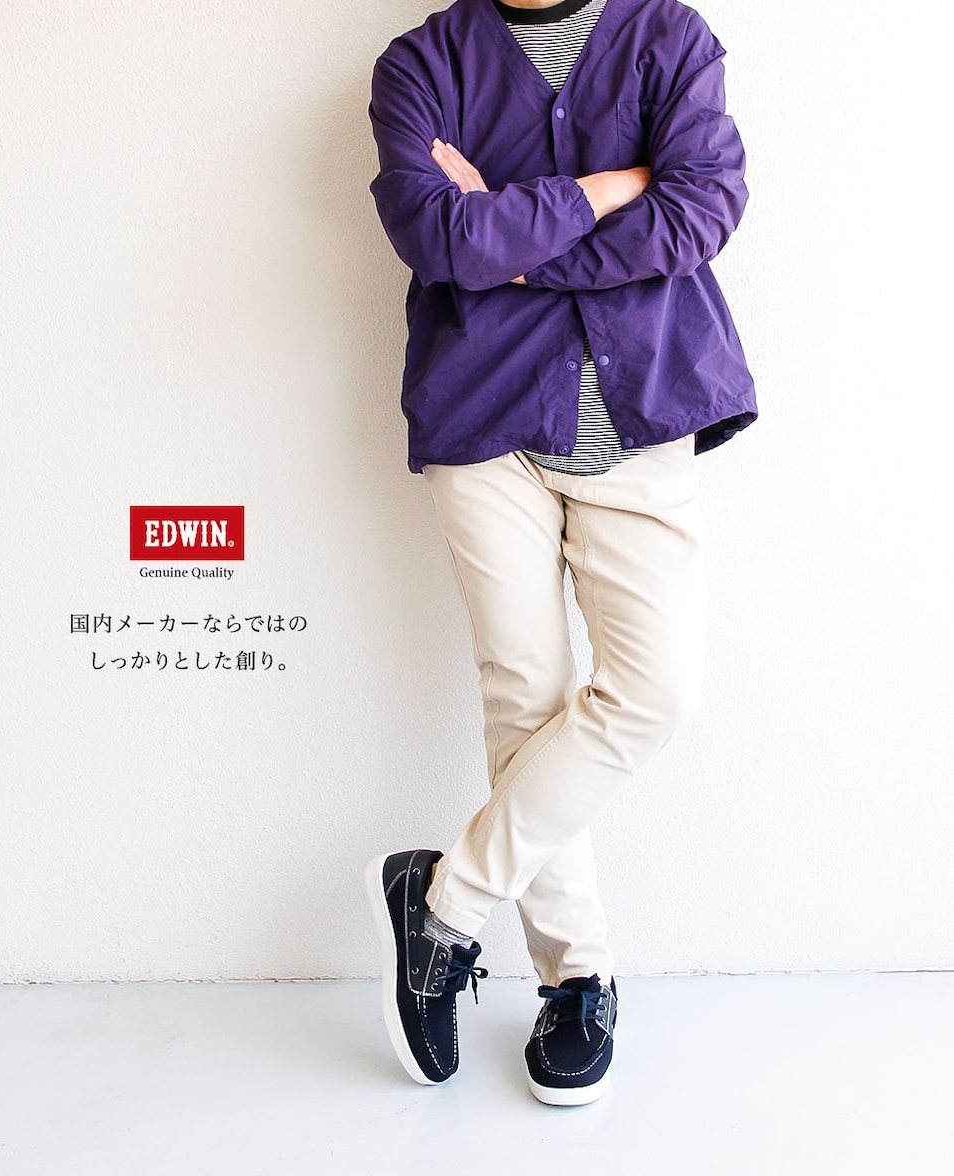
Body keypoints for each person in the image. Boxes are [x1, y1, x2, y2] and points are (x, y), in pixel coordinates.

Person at [364, 0, 756, 1106]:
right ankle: (576, 978)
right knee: (526, 698)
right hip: (485, 425)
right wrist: (605, 190)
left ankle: (442, 903)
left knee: (653, 692)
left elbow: (701, 207)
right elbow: (439, 238)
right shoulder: (420, 66)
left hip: (641, 419)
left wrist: (518, 246)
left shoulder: (668, 38)